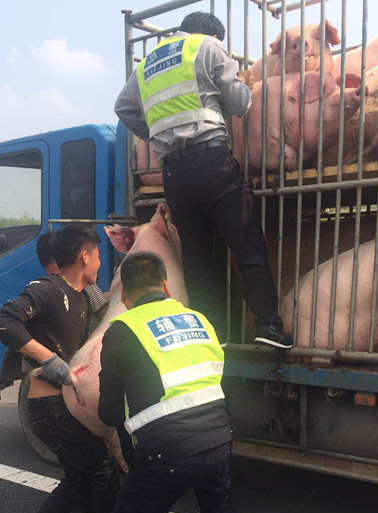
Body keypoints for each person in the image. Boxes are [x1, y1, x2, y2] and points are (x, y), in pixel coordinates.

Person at [114, 11, 292, 349]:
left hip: (174, 175)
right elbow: (239, 104)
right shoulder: (206, 48)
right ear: (212, 35)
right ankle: (268, 327)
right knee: (247, 245)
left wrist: (156, 133)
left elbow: (123, 109)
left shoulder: (147, 65)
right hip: (211, 162)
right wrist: (244, 85)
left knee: (198, 259)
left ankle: (214, 335)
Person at [97, 251, 243, 513]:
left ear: (124, 293)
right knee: (218, 507)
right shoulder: (199, 319)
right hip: (217, 439)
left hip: (164, 454)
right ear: (165, 285)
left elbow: (108, 410)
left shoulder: (122, 328)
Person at [0, 224, 119, 513]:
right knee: (103, 470)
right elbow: (1, 321)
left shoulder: (81, 295)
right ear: (85, 255)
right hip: (48, 407)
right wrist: (48, 360)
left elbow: (103, 310)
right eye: (97, 255)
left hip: (66, 405)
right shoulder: (47, 289)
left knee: (79, 479)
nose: (100, 264)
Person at [35, 231, 110, 513]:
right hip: (72, 381)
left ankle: (86, 503)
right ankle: (93, 512)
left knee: (84, 456)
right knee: (93, 458)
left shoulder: (78, 288)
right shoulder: (63, 288)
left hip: (78, 379)